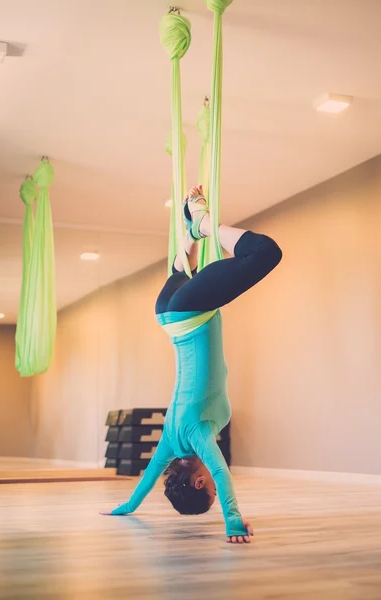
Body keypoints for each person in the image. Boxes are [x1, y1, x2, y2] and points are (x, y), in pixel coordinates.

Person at [101, 186, 282, 543]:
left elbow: (222, 472)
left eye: (210, 492)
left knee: (266, 253)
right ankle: (191, 228)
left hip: (191, 313)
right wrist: (127, 507)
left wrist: (232, 520)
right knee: (185, 268)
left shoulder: (198, 437)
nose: (215, 486)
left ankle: (202, 221)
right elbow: (148, 478)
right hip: (167, 313)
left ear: (200, 482)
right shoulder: (170, 440)